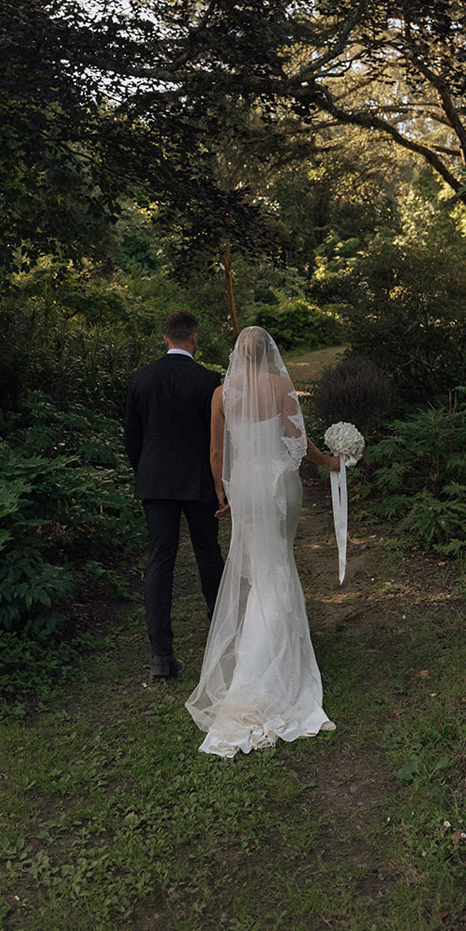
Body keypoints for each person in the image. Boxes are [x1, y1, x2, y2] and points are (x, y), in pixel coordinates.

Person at [185, 325, 340, 757]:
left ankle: (264, 655)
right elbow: (295, 443)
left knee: (260, 567)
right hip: (277, 484)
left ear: (237, 354)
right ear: (267, 353)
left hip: (247, 485)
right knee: (278, 564)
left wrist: (223, 492)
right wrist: (327, 461)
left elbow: (217, 452)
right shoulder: (281, 386)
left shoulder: (221, 394)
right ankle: (271, 661)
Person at [124, 309, 224, 679]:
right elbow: (217, 439)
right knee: (208, 552)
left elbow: (131, 438)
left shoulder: (141, 379)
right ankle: (220, 630)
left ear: (166, 338)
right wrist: (220, 481)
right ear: (194, 339)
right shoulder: (208, 380)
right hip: (198, 480)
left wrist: (146, 473)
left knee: (160, 560)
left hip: (155, 482)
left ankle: (160, 655)